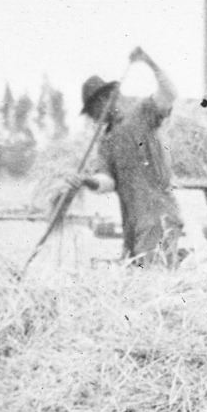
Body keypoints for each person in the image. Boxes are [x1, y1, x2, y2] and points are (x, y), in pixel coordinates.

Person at [71, 47, 183, 268]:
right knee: (142, 280)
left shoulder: (142, 113)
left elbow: (169, 94)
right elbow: (107, 181)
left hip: (159, 214)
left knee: (154, 281)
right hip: (133, 222)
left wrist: (150, 62)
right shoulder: (105, 142)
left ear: (105, 99)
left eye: (94, 109)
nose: (94, 117)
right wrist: (87, 181)